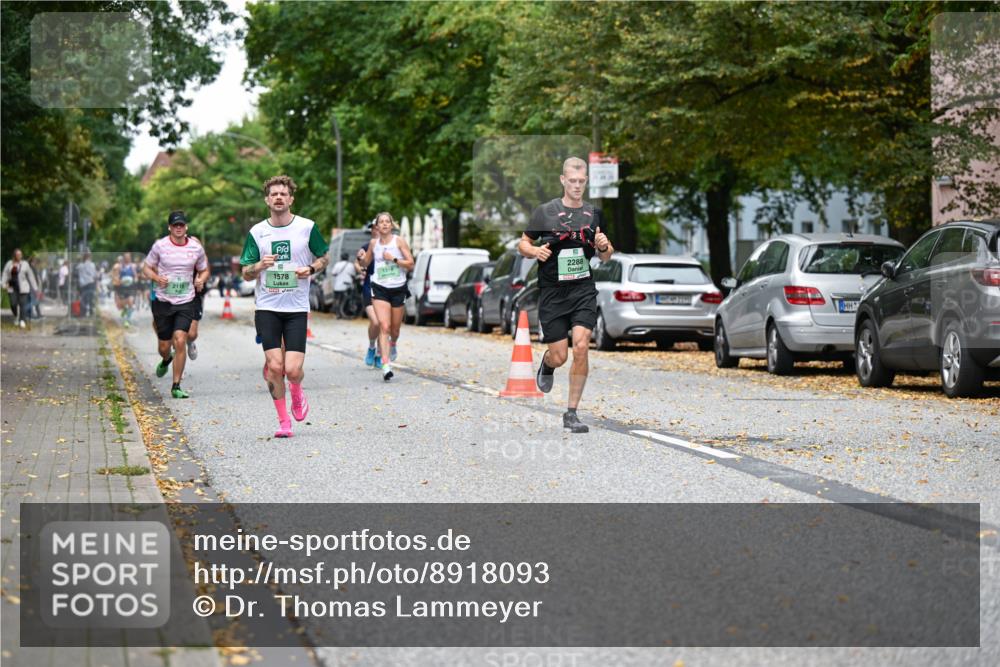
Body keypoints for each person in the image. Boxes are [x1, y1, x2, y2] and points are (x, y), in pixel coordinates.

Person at [518, 156, 614, 433]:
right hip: (553, 291)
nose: (577, 185)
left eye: (581, 181)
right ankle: (547, 365)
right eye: (572, 180)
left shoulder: (594, 214)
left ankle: (571, 413)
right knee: (560, 356)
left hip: (583, 289)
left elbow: (606, 256)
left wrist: (605, 246)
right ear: (563, 180)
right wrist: (535, 251)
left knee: (582, 346)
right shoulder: (545, 212)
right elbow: (523, 243)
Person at [240, 175, 329, 438]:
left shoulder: (307, 227)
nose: (279, 197)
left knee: (292, 369)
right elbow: (245, 272)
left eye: (283, 194)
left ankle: (297, 392)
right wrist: (259, 266)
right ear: (267, 200)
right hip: (267, 306)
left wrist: (311, 268)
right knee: (274, 366)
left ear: (291, 198)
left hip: (296, 308)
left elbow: (324, 256)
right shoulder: (257, 232)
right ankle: (283, 422)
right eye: (274, 194)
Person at [142, 211, 209, 399]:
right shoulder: (160, 246)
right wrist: (156, 278)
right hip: (163, 301)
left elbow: (204, 270)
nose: (178, 228)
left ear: (186, 227)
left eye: (181, 225)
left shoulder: (196, 247)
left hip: (186, 300)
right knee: (164, 346)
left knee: (180, 339)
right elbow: (146, 268)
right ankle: (166, 359)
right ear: (169, 227)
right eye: (175, 225)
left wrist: (200, 279)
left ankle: (176, 385)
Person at [362, 211, 414, 381]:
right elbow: (365, 263)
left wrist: (394, 259)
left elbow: (411, 264)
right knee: (384, 326)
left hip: (398, 288)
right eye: (381, 222)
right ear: (376, 226)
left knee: (395, 329)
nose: (384, 224)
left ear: (391, 225)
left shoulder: (399, 241)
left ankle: (393, 343)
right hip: (379, 288)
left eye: (387, 222)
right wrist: (361, 259)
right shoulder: (373, 243)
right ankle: (385, 365)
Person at [355, 219, 381, 367]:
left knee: (384, 324)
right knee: (376, 321)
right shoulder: (367, 247)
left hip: (387, 287)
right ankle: (372, 347)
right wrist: (361, 266)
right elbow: (358, 262)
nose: (375, 230)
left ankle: (379, 354)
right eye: (373, 228)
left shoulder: (393, 246)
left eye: (377, 227)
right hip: (369, 287)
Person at [2, 248, 38, 328]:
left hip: (23, 287)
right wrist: (3, 283)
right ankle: (16, 316)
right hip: (11, 287)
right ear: (14, 255)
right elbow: (5, 273)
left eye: (20, 254)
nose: (19, 256)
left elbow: (30, 276)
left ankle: (22, 320)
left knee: (23, 304)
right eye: (18, 254)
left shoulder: (25, 264)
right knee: (13, 303)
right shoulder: (9, 263)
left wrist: (35, 287)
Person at [111, 252, 138, 327]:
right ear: (124, 258)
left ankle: (127, 320)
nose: (127, 258)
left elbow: (135, 276)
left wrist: (135, 280)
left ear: (130, 258)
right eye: (125, 257)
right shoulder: (119, 266)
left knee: (130, 302)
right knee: (120, 305)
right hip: (122, 288)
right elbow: (115, 276)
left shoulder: (132, 266)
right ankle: (124, 310)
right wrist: (119, 281)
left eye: (128, 257)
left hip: (131, 287)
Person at [329, 251, 356, 317]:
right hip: (347, 285)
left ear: (341, 257)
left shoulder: (337, 264)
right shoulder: (350, 265)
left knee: (337, 299)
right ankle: (346, 312)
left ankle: (338, 313)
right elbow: (353, 275)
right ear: (348, 258)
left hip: (338, 285)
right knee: (346, 299)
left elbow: (333, 273)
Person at [76, 252, 97, 317]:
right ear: (89, 257)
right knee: (91, 298)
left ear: (84, 258)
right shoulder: (92, 265)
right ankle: (91, 313)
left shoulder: (80, 265)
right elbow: (94, 275)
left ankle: (83, 313)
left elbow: (76, 272)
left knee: (83, 298)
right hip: (90, 283)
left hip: (83, 284)